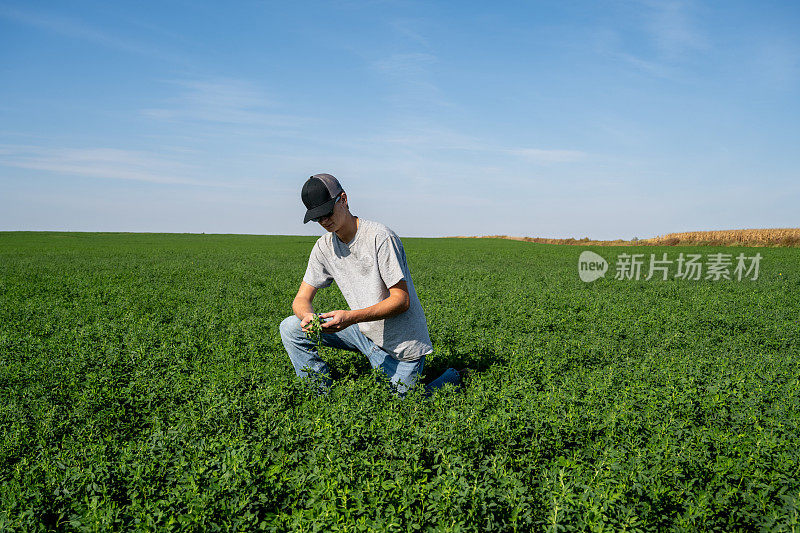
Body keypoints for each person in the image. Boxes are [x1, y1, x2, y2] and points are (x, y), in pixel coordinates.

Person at [279, 173, 461, 396]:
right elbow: (301, 299)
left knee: (403, 405)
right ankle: (320, 395)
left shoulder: (379, 237)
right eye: (317, 217)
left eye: (327, 212)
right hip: (364, 332)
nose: (324, 221)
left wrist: (350, 317)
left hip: (401, 347)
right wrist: (307, 316)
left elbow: (401, 301)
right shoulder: (324, 247)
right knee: (290, 328)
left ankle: (452, 377)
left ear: (343, 199)